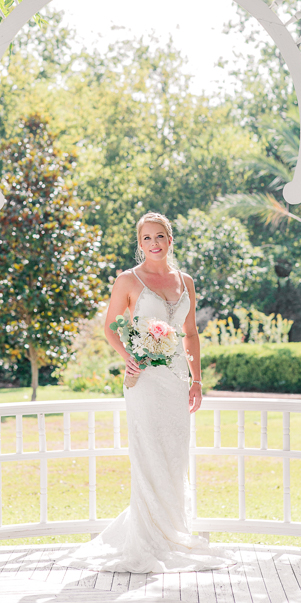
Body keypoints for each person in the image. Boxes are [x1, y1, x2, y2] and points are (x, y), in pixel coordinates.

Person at [64, 211, 234, 574]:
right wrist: (127, 357)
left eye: (160, 236)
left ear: (170, 240)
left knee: (174, 455)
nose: (154, 243)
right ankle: (147, 537)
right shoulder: (128, 280)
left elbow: (189, 334)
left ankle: (174, 531)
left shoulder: (185, 281)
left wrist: (197, 381)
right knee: (149, 454)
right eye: (147, 238)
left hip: (175, 382)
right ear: (139, 243)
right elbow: (110, 327)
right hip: (143, 381)